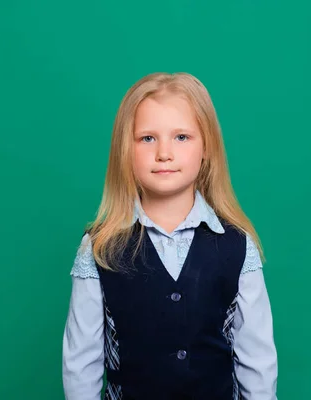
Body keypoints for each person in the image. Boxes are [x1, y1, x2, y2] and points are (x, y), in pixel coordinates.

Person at [62, 72, 278, 399]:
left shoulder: (236, 245)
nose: (164, 153)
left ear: (207, 147)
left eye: (181, 137)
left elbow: (257, 361)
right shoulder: (99, 248)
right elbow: (81, 363)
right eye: (147, 138)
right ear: (125, 149)